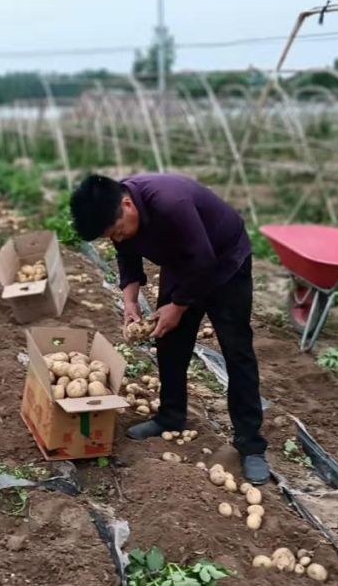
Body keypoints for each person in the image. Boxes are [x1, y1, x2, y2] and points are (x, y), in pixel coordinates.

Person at [70, 173, 270, 484]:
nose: (119, 238)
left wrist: (177, 307)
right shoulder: (117, 209)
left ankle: (251, 445)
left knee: (237, 350)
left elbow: (204, 261)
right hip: (183, 262)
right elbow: (127, 256)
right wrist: (131, 303)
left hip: (225, 262)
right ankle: (170, 416)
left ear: (128, 204)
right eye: (112, 236)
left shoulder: (170, 202)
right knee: (170, 343)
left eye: (119, 231)